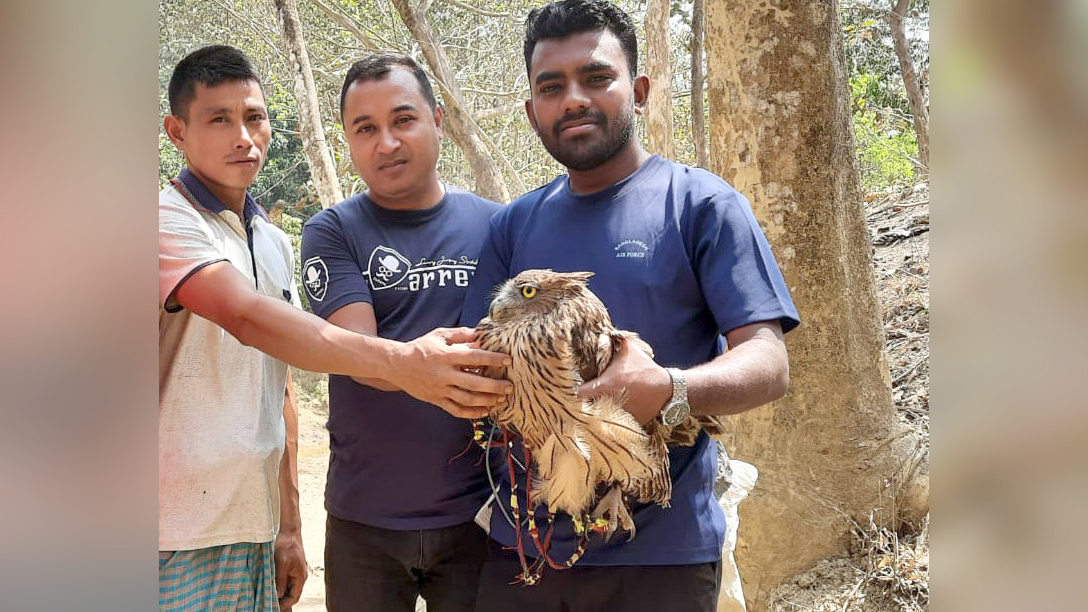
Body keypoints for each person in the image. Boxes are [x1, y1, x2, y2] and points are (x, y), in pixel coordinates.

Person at [459, 2, 800, 610]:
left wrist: (668, 388)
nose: (572, 99)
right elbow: (476, 360)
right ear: (532, 107)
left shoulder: (700, 204)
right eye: (551, 86)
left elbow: (768, 363)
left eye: (596, 78)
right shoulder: (512, 225)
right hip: (528, 548)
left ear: (639, 90)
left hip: (661, 552)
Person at [159, 46, 511, 611]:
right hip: (171, 531)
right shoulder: (162, 222)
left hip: (256, 524)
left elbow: (278, 389)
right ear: (176, 131)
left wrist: (289, 524)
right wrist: (409, 364)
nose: (243, 137)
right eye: (219, 119)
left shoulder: (268, 240)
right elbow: (248, 319)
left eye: (253, 116)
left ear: (437, 119)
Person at [298, 53, 503, 612]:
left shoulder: (498, 225)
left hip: (480, 516)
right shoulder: (331, 232)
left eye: (403, 119)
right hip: (364, 521)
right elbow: (358, 353)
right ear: (348, 141)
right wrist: (430, 364)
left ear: (437, 119)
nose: (385, 142)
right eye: (366, 128)